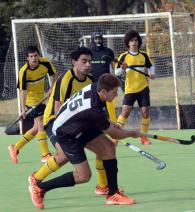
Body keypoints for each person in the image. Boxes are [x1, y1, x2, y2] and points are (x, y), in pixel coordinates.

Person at [28, 74, 139, 209]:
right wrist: (132, 133)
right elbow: (115, 134)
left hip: (81, 124)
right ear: (103, 91)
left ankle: (112, 194)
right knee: (84, 176)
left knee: (108, 147)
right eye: (114, 93)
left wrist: (109, 122)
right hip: (67, 134)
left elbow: (91, 114)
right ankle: (40, 188)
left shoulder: (95, 88)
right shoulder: (93, 109)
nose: (116, 96)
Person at [29, 47, 117, 197]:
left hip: (78, 123)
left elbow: (97, 108)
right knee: (63, 155)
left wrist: (104, 123)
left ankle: (103, 186)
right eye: (84, 61)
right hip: (54, 121)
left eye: (90, 61)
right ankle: (36, 179)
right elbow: (58, 111)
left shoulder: (91, 81)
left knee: (106, 146)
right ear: (74, 62)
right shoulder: (65, 79)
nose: (88, 64)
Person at [8, 45, 57, 164]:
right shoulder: (23, 72)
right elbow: (22, 91)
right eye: (31, 56)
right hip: (31, 100)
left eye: (36, 55)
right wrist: (22, 108)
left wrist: (52, 88)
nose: (34, 58)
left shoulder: (45, 63)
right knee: (41, 123)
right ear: (27, 58)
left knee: (36, 128)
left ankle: (15, 147)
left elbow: (54, 75)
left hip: (42, 98)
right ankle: (45, 154)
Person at [115, 30, 156, 145]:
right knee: (125, 112)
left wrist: (152, 74)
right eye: (131, 40)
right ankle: (115, 137)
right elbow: (116, 73)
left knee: (145, 112)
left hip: (143, 88)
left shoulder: (144, 55)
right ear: (128, 43)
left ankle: (143, 137)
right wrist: (122, 68)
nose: (134, 42)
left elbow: (151, 66)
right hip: (130, 89)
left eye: (136, 40)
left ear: (138, 42)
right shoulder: (123, 56)